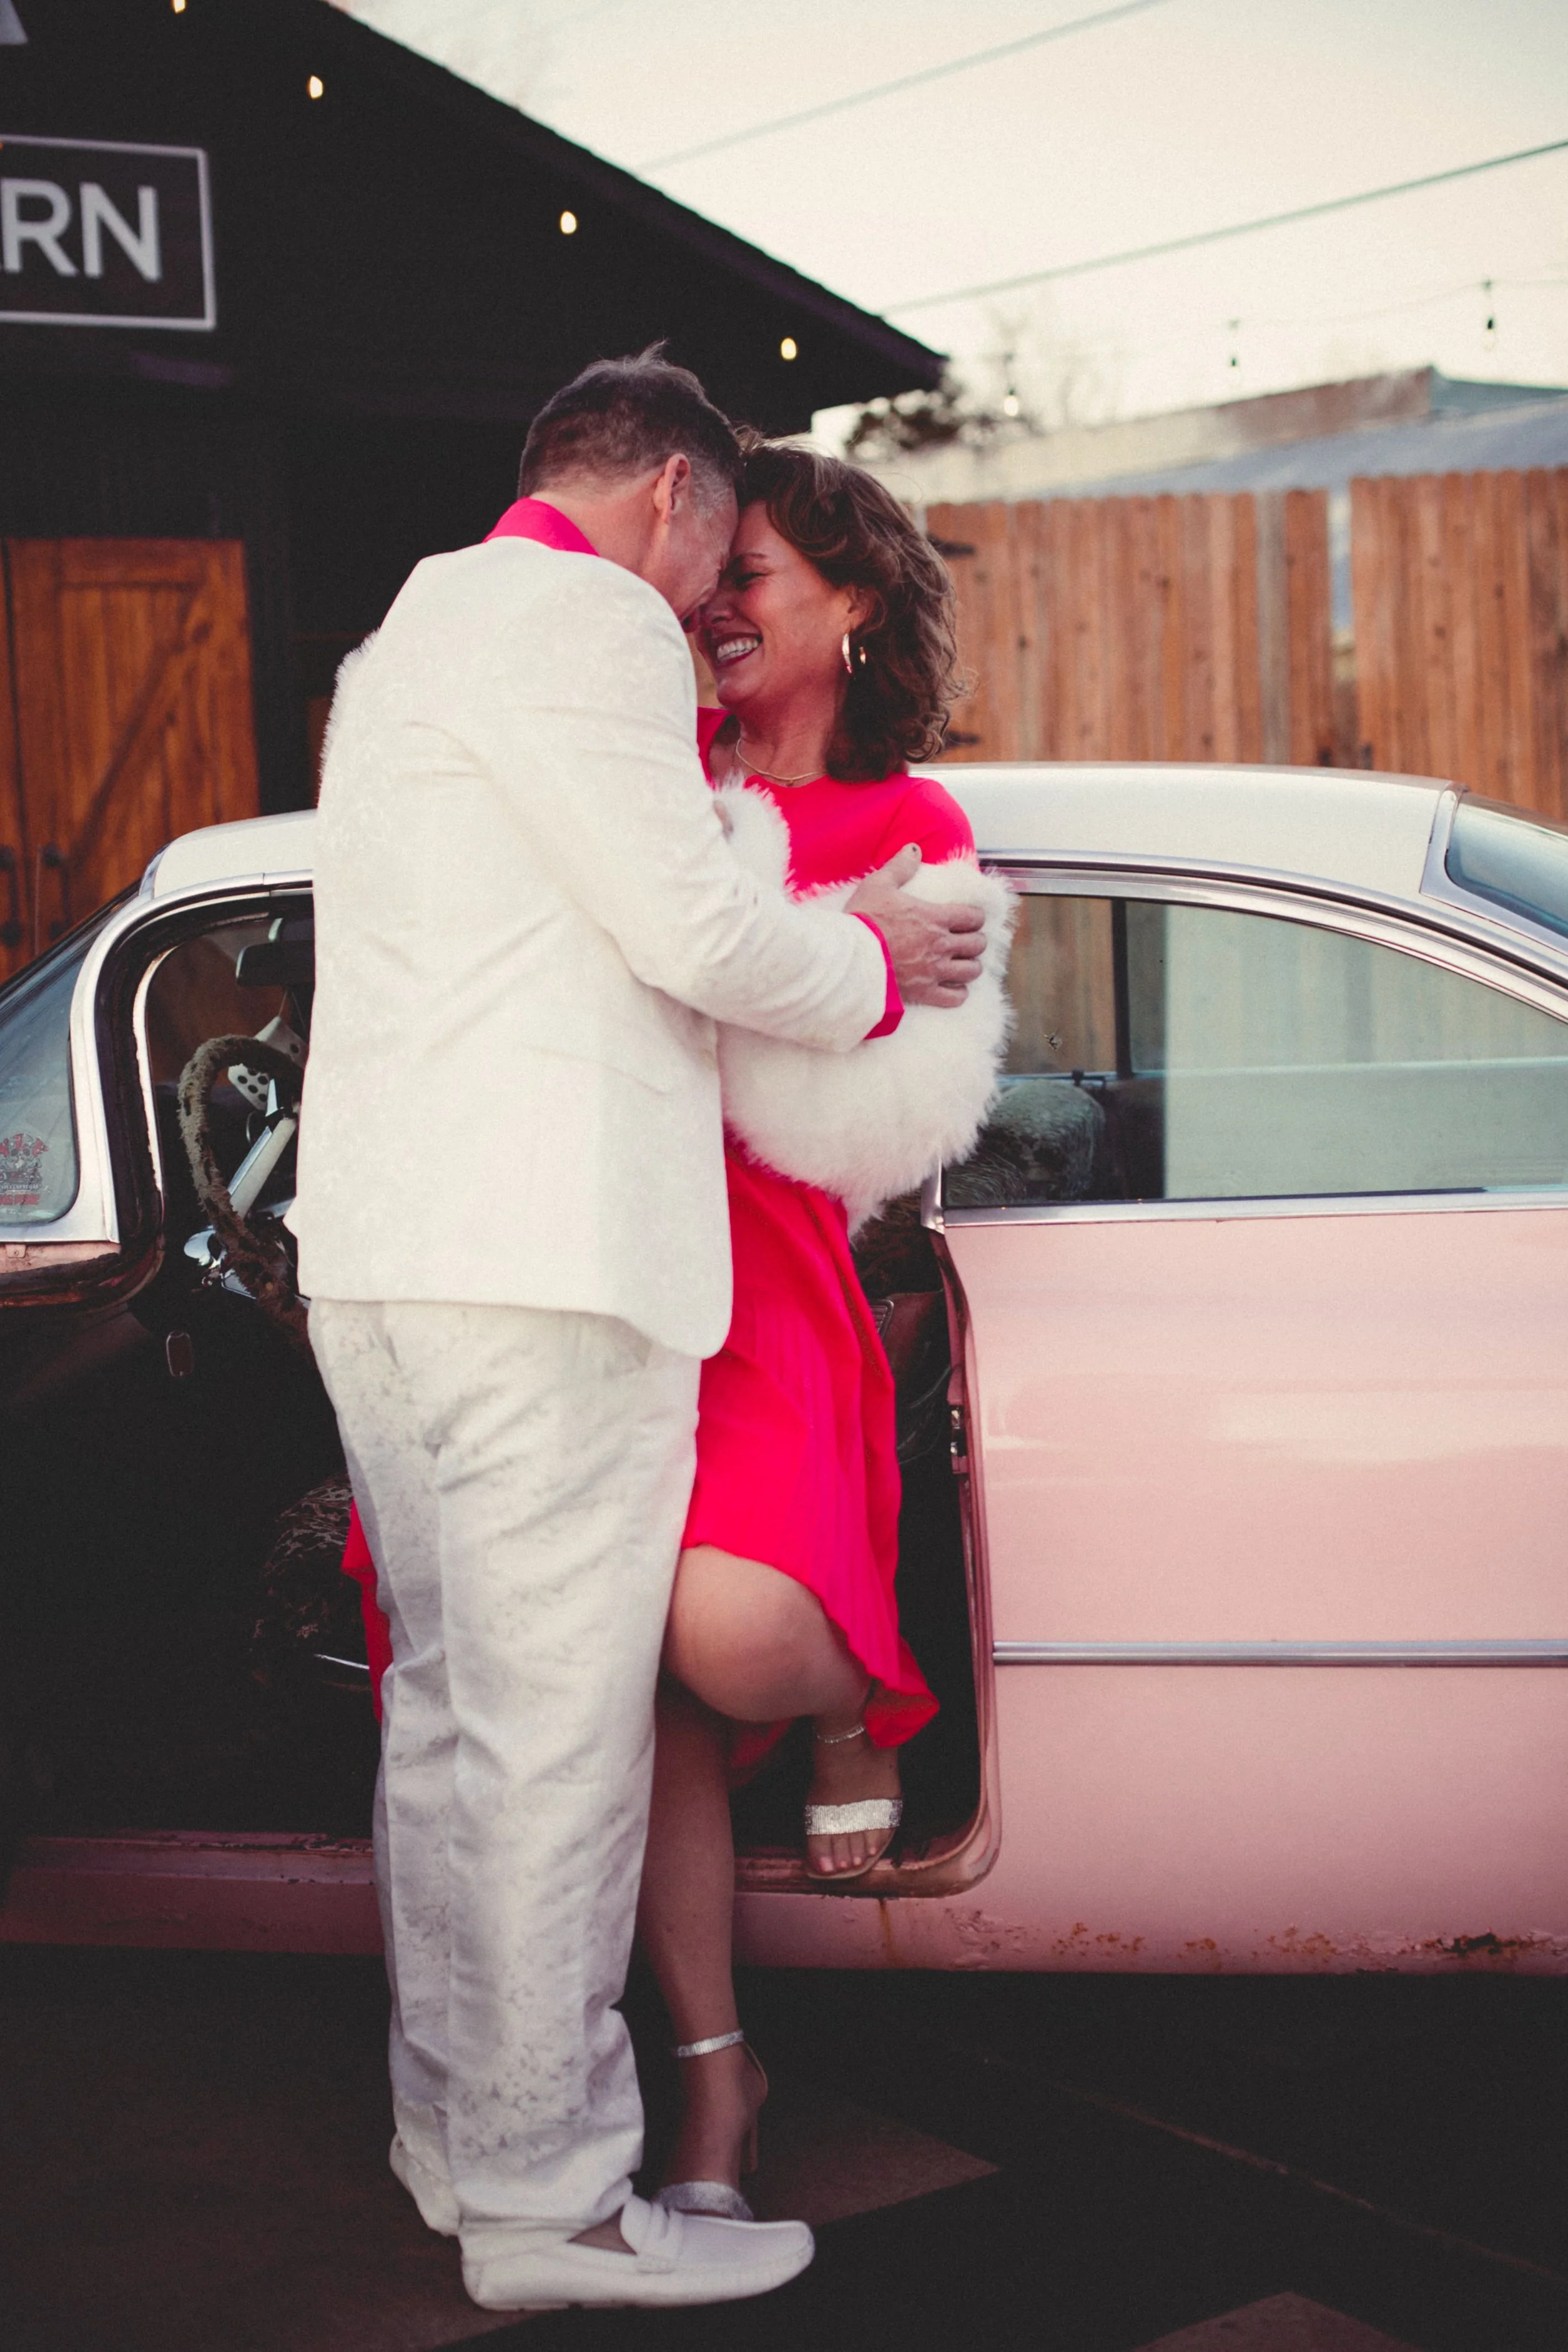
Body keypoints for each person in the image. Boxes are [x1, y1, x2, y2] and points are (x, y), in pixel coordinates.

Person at [290, 352, 987, 2314]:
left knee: (445, 1726)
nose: (706, 609)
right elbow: (693, 928)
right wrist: (876, 955)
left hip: (386, 1263)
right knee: (551, 1750)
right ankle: (555, 2199)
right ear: (674, 494)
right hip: (550, 1270)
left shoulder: (419, 624)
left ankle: (454, 2138)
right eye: (711, 555)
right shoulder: (591, 617)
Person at [625, 442, 995, 2223]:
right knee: (625, 1677)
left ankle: (852, 1708)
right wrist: (814, 949)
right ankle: (712, 2067)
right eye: (707, 576)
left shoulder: (917, 832)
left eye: (752, 574)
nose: (717, 607)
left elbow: (885, 1129)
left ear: (851, 600)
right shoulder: (646, 782)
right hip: (599, 1251)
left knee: (736, 1628)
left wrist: (788, 945)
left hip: (768, 1269)